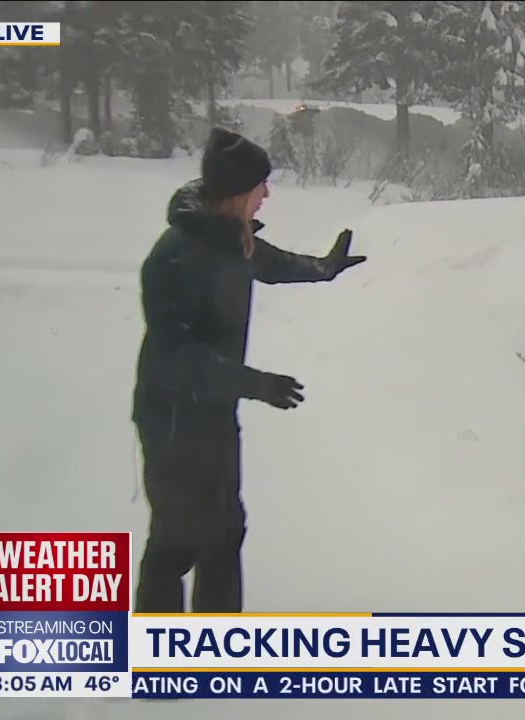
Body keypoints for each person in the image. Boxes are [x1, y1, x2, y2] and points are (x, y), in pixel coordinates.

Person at [130, 127, 366, 614]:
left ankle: (216, 641)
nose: (267, 195)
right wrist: (254, 383)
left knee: (223, 532)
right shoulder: (174, 256)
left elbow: (272, 263)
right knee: (176, 541)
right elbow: (177, 356)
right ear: (238, 192)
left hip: (213, 413)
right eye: (261, 186)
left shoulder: (230, 238)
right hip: (171, 416)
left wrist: (324, 268)